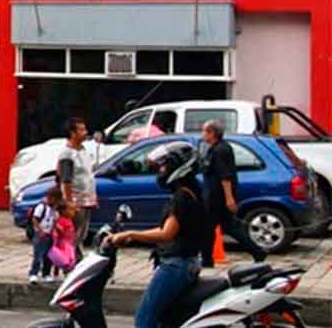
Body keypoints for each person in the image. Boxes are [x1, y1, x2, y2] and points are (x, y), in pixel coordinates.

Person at [109, 141, 208, 328]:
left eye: (163, 166)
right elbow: (171, 230)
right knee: (166, 319)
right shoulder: (192, 191)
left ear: (178, 167)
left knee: (144, 320)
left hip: (176, 265)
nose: (160, 171)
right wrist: (130, 236)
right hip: (188, 261)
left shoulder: (182, 196)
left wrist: (131, 234)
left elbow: (166, 234)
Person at [200, 118, 267, 266]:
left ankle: (207, 260)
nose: (202, 134)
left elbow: (225, 176)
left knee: (208, 227)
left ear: (212, 133)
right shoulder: (217, 148)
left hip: (217, 197)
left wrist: (229, 198)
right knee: (228, 227)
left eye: (204, 131)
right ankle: (257, 252)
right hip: (215, 195)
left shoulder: (220, 150)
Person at [56, 117, 97, 256]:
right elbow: (66, 180)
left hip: (86, 201)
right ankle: (69, 260)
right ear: (72, 133)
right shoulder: (67, 154)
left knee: (81, 234)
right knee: (73, 235)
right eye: (81, 130)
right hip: (75, 201)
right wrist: (69, 203)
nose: (85, 132)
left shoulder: (84, 150)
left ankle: (75, 258)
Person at [28, 185, 62, 283]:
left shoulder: (54, 210)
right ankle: (33, 273)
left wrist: (56, 229)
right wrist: (40, 231)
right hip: (40, 235)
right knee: (38, 255)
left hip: (49, 235)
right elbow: (35, 219)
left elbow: (54, 221)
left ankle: (46, 273)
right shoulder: (41, 207)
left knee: (48, 256)